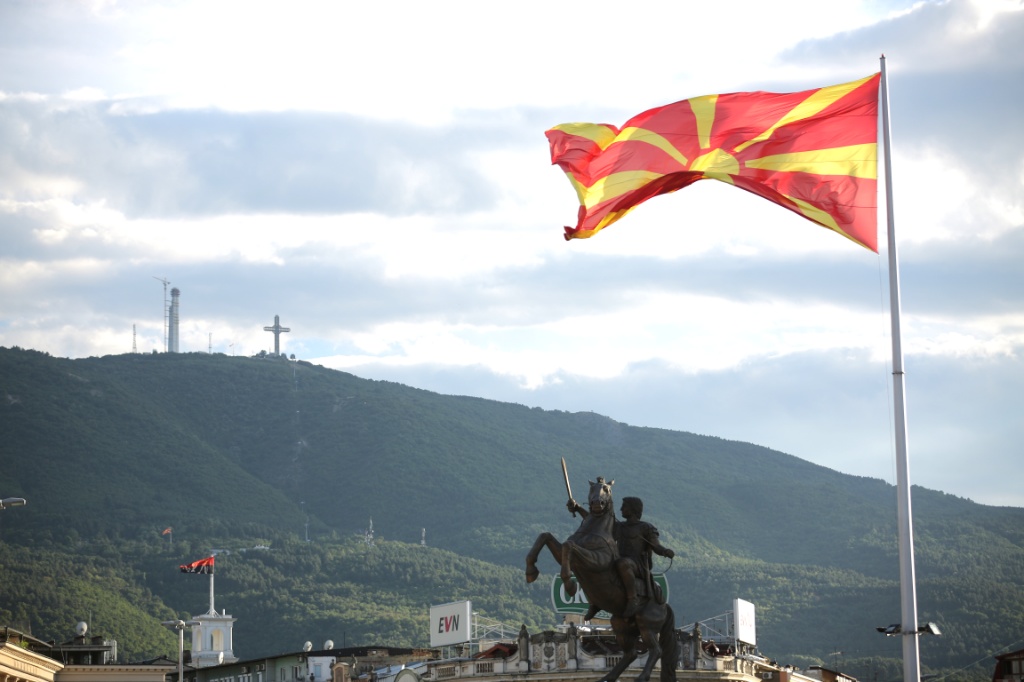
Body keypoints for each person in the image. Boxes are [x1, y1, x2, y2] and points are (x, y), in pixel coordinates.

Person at [615, 496, 674, 618]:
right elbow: (597, 525)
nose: (621, 509)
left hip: (637, 565)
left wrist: (665, 551)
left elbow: (656, 546)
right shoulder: (619, 526)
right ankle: (595, 602)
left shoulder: (646, 527)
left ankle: (633, 599)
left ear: (633, 509)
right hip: (619, 561)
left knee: (623, 563)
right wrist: (578, 508)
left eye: (624, 506)